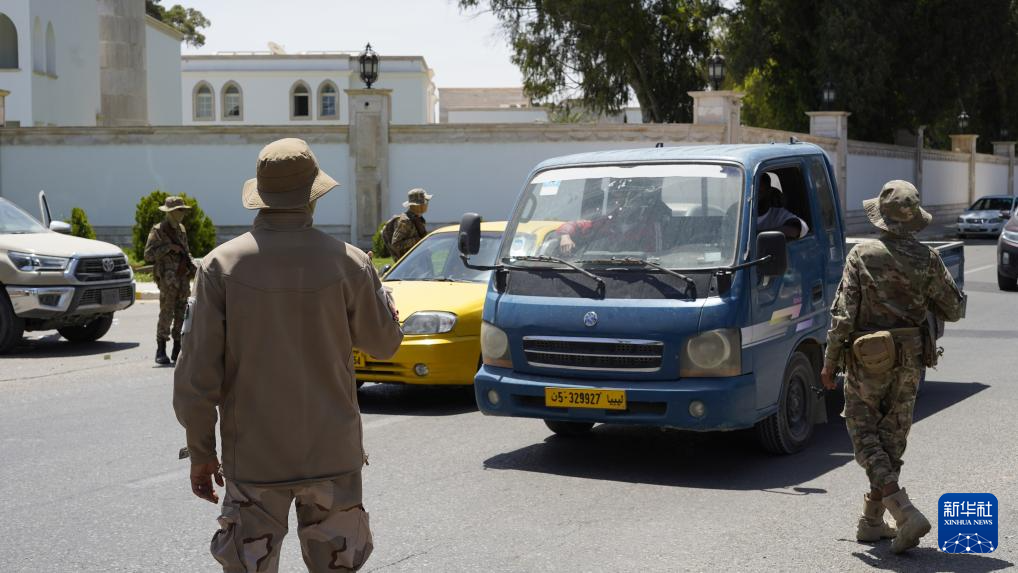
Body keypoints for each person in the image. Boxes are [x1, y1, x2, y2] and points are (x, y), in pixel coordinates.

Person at [173, 138, 403, 572]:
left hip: (256, 459)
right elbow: (384, 343)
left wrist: (201, 452)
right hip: (333, 455)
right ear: (313, 195)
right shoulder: (350, 263)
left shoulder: (220, 267)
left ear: (261, 197)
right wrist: (383, 297)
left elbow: (196, 375)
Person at [820, 180, 965, 554]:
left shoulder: (862, 255)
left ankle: (904, 513)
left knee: (864, 434)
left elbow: (843, 315)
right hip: (911, 360)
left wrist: (830, 362)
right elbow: (955, 308)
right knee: (891, 439)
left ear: (881, 217)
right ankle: (871, 522)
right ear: (914, 219)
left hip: (868, 360)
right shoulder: (928, 258)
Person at [144, 196, 197, 365]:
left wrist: (193, 265)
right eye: (180, 210)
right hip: (168, 280)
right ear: (171, 213)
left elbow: (186, 251)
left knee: (182, 313)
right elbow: (148, 255)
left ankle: (177, 348)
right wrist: (168, 248)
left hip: (182, 278)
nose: (183, 213)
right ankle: (161, 349)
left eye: (183, 210)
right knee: (166, 313)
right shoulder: (158, 230)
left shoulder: (181, 229)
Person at [557, 186, 670, 255]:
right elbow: (577, 224)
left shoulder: (651, 225)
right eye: (619, 199)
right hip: (606, 271)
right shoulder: (609, 221)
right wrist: (565, 235)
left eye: (629, 199)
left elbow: (655, 256)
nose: (623, 204)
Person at [757, 175, 809, 239]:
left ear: (769, 192)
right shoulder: (741, 214)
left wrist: (758, 235)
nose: (755, 198)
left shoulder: (778, 214)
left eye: (759, 192)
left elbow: (800, 229)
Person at [388, 188, 432, 260]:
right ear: (418, 205)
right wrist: (417, 240)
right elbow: (396, 244)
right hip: (411, 264)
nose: (427, 204)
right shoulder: (405, 221)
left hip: (420, 260)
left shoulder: (418, 218)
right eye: (425, 202)